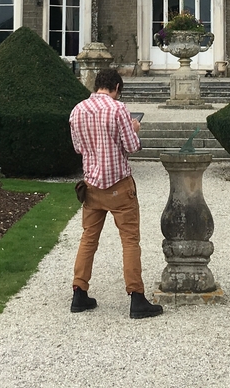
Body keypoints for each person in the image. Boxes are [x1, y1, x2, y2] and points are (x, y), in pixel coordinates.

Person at [68, 67, 163, 319]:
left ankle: (79, 292)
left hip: (91, 186)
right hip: (118, 185)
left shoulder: (77, 110)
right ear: (117, 88)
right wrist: (134, 129)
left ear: (96, 84)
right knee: (129, 240)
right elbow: (132, 147)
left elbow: (78, 148)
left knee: (88, 238)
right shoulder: (118, 109)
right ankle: (136, 297)